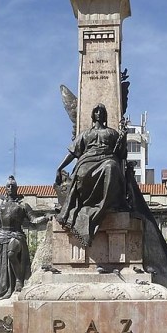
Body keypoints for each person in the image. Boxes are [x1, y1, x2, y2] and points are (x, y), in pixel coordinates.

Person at [56, 104, 128, 247]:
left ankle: (103, 208)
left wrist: (123, 140)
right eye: (96, 111)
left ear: (105, 114)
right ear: (93, 115)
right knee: (81, 174)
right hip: (87, 161)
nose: (99, 113)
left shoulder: (112, 133)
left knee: (111, 167)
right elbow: (72, 153)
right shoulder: (85, 134)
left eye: (102, 111)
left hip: (107, 159)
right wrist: (60, 167)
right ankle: (85, 206)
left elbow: (121, 155)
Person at [0, 176, 47, 301]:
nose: (11, 188)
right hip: (0, 238)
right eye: (8, 186)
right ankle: (4, 291)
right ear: (5, 189)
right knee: (2, 271)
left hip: (17, 235)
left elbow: (33, 220)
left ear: (17, 188)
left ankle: (19, 280)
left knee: (12, 254)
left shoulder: (23, 206)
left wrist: (45, 217)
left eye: (13, 186)